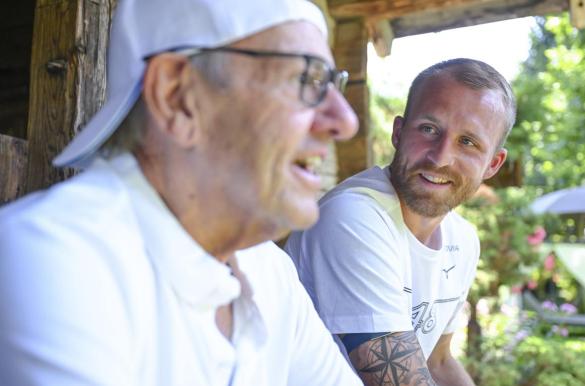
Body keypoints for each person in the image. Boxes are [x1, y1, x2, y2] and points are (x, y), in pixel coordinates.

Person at [0, 0, 362, 385]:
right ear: (177, 97)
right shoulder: (54, 258)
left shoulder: (268, 270)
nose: (346, 121)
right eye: (305, 80)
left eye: (331, 83)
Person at [285, 58, 515, 385]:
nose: (439, 157)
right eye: (429, 129)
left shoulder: (463, 240)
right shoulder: (353, 217)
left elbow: (438, 361)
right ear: (398, 132)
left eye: (468, 142)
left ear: (492, 164)